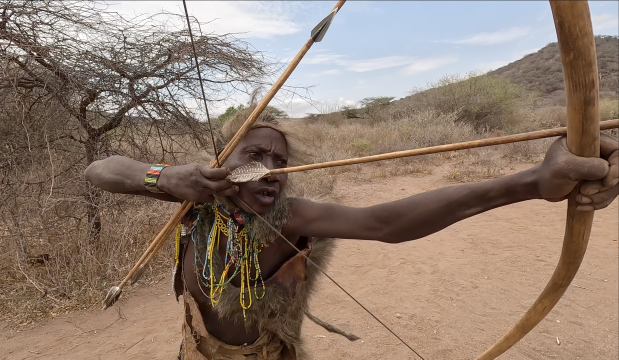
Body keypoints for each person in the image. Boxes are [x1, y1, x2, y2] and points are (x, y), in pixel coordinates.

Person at [85, 113, 618, 360]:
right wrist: (162, 176)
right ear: (223, 160)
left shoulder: (289, 216)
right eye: (255, 155)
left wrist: (529, 183)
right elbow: (101, 170)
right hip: (195, 348)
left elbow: (384, 224)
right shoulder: (192, 197)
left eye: (281, 161)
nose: (271, 169)